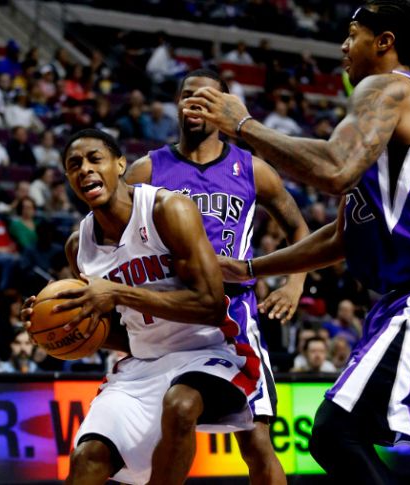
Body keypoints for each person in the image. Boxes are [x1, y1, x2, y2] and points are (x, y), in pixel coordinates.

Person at [185, 1, 410, 483]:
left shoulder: (388, 87)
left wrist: (244, 127)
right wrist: (250, 269)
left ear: (385, 41)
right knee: (338, 435)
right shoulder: (381, 129)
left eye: (353, 34)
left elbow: (333, 169)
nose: (343, 46)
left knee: (335, 433)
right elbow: (343, 235)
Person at [21, 129, 257, 485]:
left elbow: (210, 305)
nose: (85, 169)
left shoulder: (167, 209)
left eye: (95, 159)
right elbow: (119, 335)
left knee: (181, 405)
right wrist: (62, 326)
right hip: (143, 362)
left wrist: (120, 294)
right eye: (74, 165)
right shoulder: (79, 247)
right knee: (88, 459)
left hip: (209, 351)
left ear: (120, 165)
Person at [125, 68, 311, 485]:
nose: (195, 102)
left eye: (207, 97)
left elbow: (299, 229)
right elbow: (109, 239)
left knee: (256, 439)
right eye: (187, 95)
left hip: (233, 315)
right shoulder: (146, 170)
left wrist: (295, 283)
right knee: (160, 432)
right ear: (177, 105)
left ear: (224, 107)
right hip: (171, 313)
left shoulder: (252, 169)